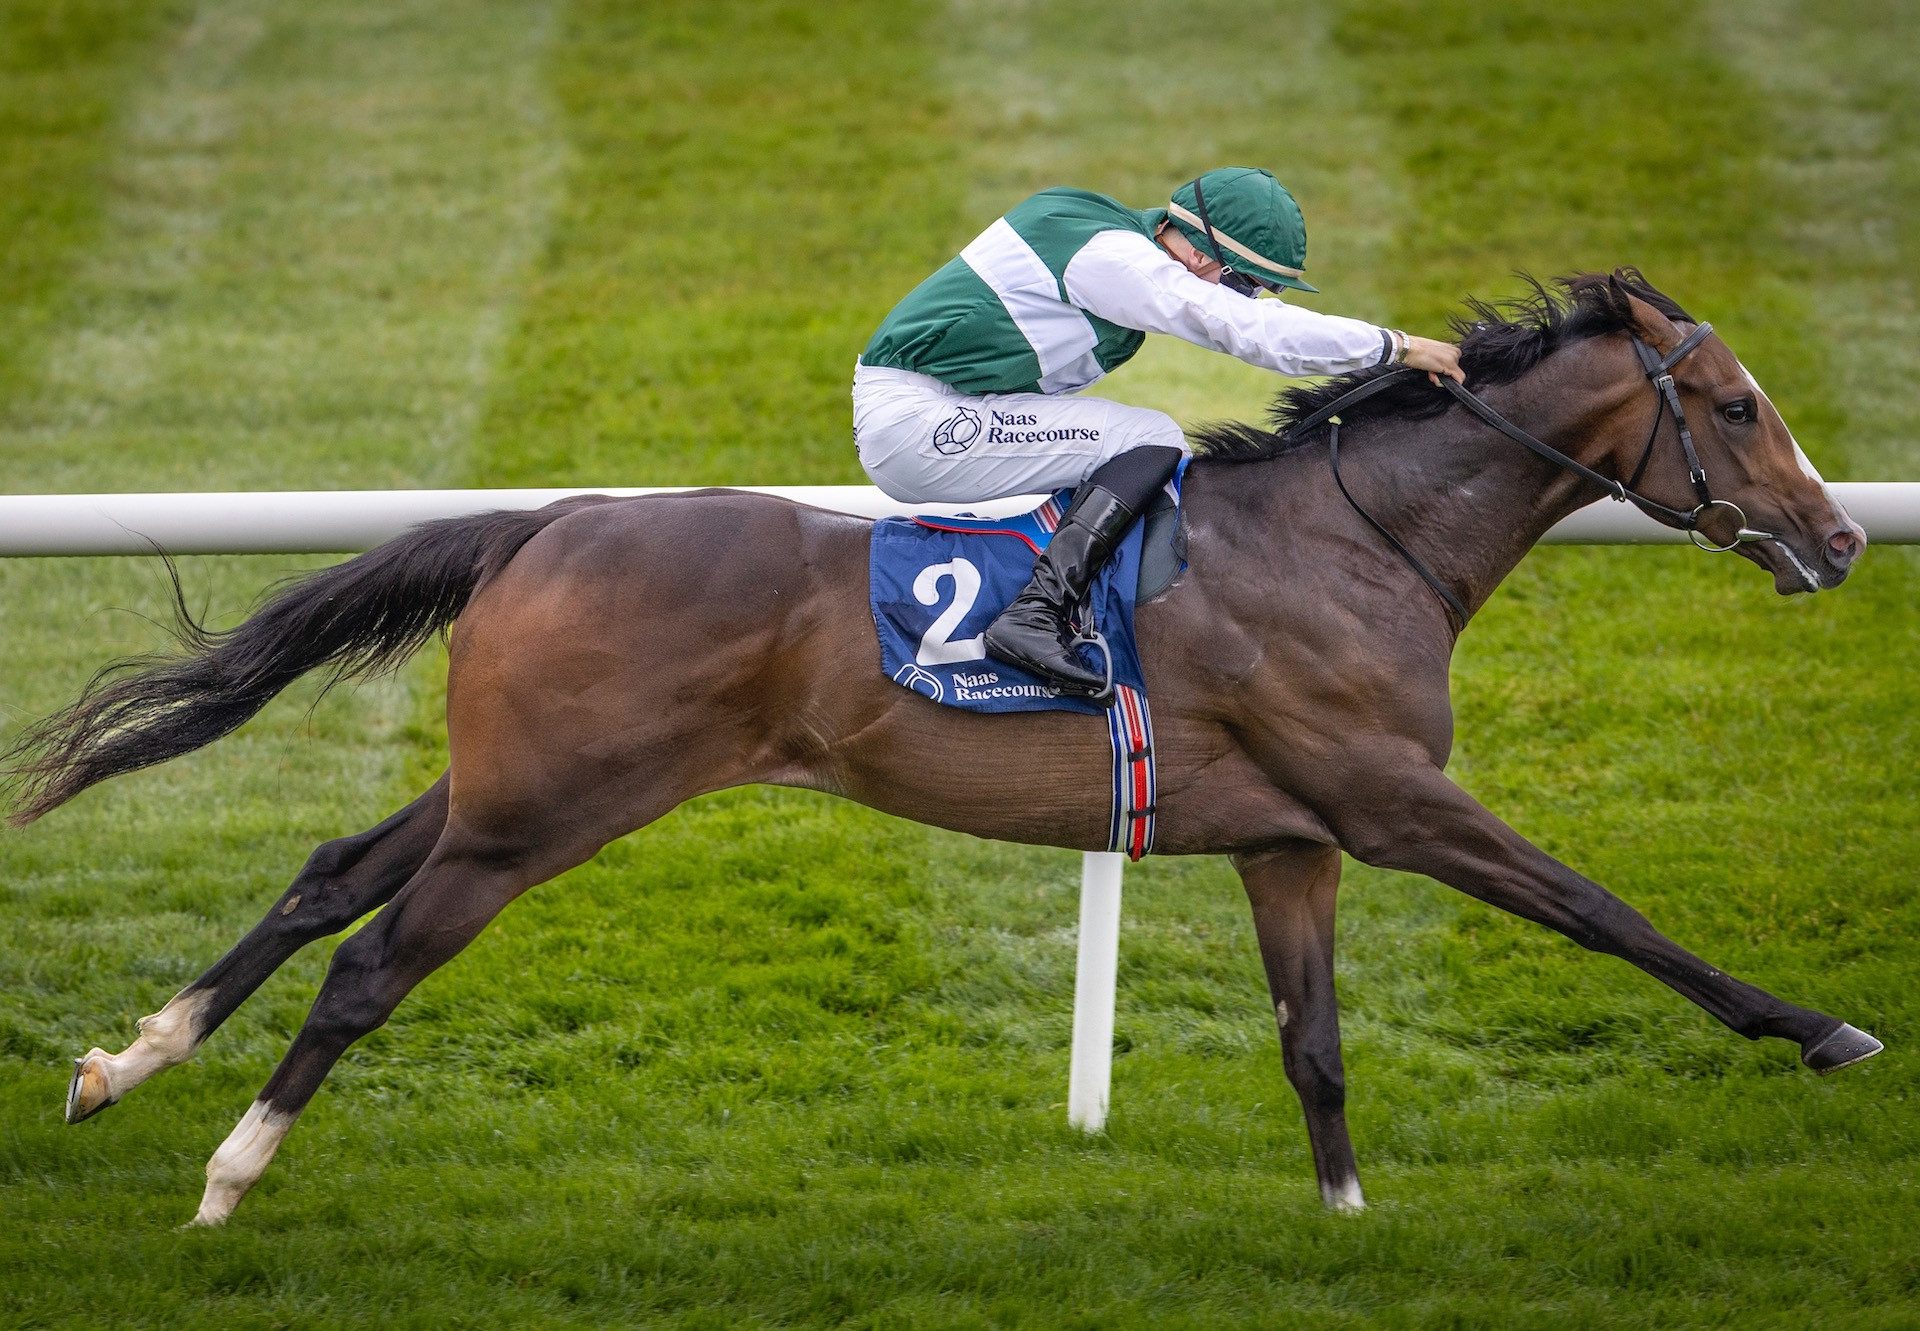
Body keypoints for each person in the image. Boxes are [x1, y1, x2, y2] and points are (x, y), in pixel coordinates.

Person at [854, 167, 1464, 698]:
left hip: (939, 408)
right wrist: (1397, 348)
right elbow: (1244, 328)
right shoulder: (1111, 260)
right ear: (1204, 258)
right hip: (917, 423)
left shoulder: (1115, 238)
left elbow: (1255, 316)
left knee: (1141, 437)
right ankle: (1035, 615)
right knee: (1150, 438)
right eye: (1250, 283)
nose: (1256, 299)